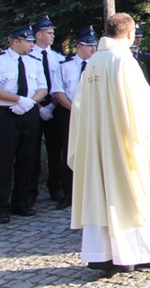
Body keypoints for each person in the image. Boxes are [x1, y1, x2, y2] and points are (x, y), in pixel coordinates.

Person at [67, 13, 150, 274]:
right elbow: (142, 104)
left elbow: (79, 108)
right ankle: (143, 253)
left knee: (102, 192)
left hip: (97, 146)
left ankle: (104, 255)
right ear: (129, 33)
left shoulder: (92, 63)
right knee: (134, 194)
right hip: (127, 145)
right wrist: (148, 136)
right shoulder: (123, 60)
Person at [0, 25, 47, 224]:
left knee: (28, 157)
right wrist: (18, 99)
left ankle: (22, 201)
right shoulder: (1, 60)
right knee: (4, 159)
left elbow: (43, 88)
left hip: (29, 112)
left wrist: (29, 102)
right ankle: (2, 206)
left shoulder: (34, 62)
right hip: (6, 113)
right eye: (28, 41)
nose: (31, 44)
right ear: (16, 41)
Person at [49, 26, 97, 210]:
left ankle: (91, 194)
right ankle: (69, 193)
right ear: (78, 46)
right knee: (69, 152)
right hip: (70, 113)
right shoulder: (65, 66)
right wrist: (75, 110)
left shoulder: (98, 67)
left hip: (93, 115)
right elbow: (59, 92)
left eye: (94, 45)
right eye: (88, 45)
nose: (93, 49)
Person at [29, 15, 66, 207]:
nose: (53, 36)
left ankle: (56, 188)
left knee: (55, 150)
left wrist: (51, 106)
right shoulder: (27, 56)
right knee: (31, 150)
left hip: (54, 108)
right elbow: (26, 87)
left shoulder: (58, 58)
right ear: (38, 35)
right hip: (33, 108)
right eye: (49, 33)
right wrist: (39, 107)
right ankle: (30, 191)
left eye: (53, 33)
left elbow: (60, 86)